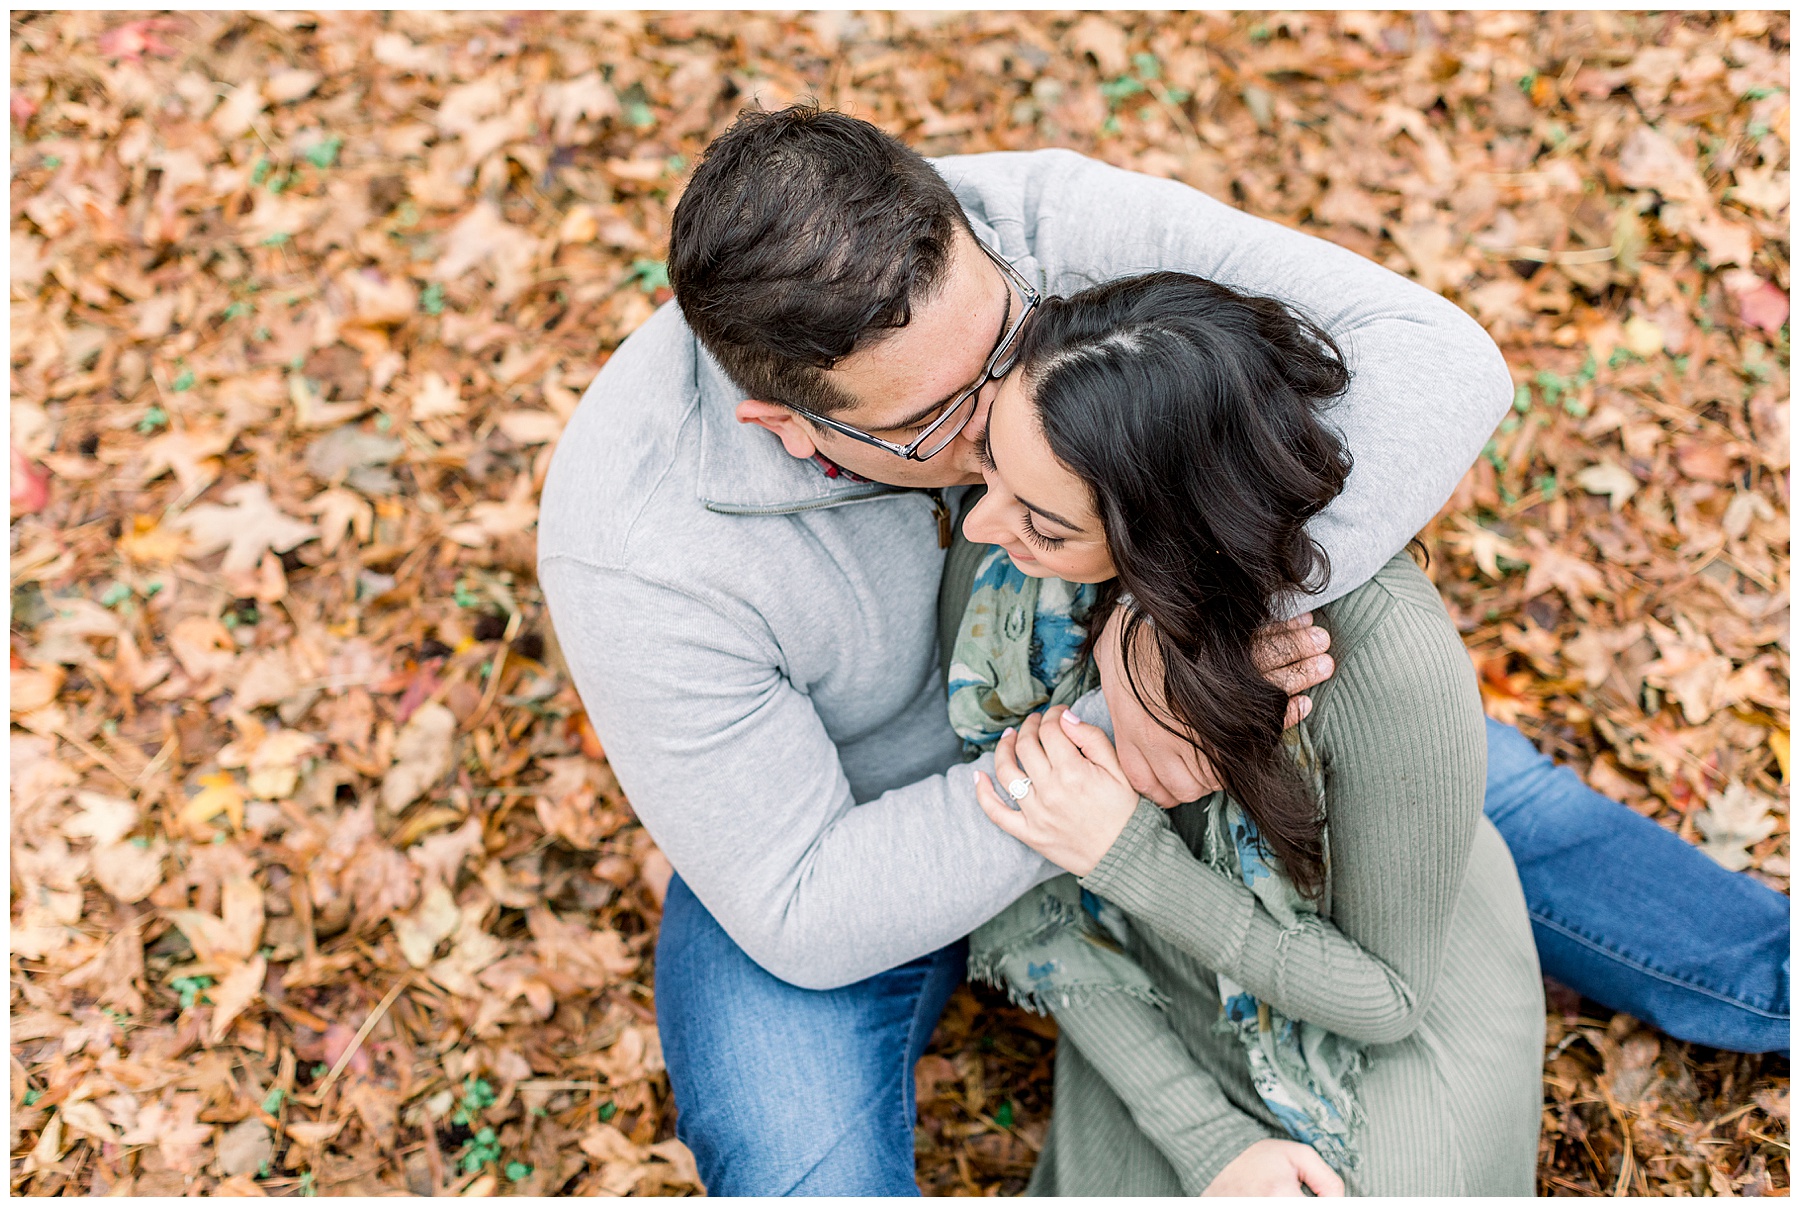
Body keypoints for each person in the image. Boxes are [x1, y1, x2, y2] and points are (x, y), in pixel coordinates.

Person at [537, 105, 1788, 1195]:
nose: (1004, 422)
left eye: (1011, 344)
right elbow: (803, 904)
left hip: (1195, 717)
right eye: (940, 422)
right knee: (792, 1161)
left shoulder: (1032, 220)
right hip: (872, 830)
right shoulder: (634, 542)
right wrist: (1098, 751)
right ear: (791, 427)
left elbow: (1442, 362)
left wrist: (1183, 627)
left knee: (1483, 801)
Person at [949, 271, 1542, 1195]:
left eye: (1044, 523)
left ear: (1171, 541)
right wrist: (1202, 1134)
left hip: (1380, 1020)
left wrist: (1126, 857)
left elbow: (1386, 999)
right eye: (988, 460)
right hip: (1156, 978)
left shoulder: (1389, 663)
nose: (982, 523)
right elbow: (1019, 885)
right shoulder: (1012, 578)